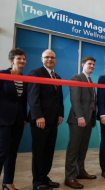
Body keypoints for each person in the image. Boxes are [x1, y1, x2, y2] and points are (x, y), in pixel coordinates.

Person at [0, 48, 27, 190]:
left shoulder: (24, 78)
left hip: (17, 120)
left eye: (23, 59)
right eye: (19, 59)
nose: (22, 61)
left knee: (12, 153)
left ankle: (8, 182)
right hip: (1, 120)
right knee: (1, 153)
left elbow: (22, 101)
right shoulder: (1, 75)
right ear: (11, 61)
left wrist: (24, 118)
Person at [28, 49, 64, 190]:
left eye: (52, 57)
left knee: (49, 151)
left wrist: (60, 114)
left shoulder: (57, 77)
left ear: (55, 60)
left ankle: (44, 176)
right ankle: (37, 181)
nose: (50, 59)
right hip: (40, 120)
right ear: (41, 59)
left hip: (53, 120)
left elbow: (59, 98)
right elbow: (33, 97)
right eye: (47, 57)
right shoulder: (36, 73)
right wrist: (38, 116)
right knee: (39, 151)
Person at [64, 56, 97, 189]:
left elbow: (92, 102)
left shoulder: (90, 80)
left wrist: (92, 119)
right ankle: (69, 177)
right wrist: (80, 117)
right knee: (73, 149)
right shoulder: (77, 78)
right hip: (79, 120)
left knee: (82, 148)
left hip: (89, 120)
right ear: (83, 65)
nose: (92, 66)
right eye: (89, 64)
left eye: (94, 64)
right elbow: (75, 99)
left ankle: (80, 171)